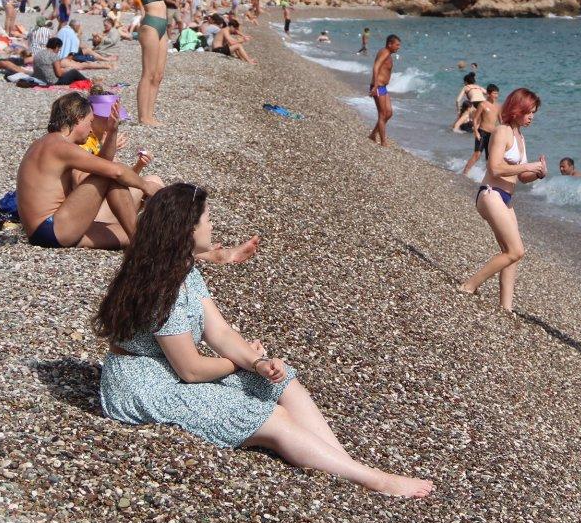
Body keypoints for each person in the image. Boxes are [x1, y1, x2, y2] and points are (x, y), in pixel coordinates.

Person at [94, 184, 435, 498]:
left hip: (168, 372)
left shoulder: (183, 269)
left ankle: (345, 463)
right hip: (142, 387)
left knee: (280, 379)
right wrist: (237, 363)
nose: (212, 225)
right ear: (187, 229)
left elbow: (220, 332)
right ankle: (375, 480)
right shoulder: (162, 288)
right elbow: (191, 370)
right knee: (273, 417)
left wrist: (258, 363)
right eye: (208, 218)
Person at [16, 92, 160, 249]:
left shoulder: (45, 143)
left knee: (134, 235)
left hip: (43, 232)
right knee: (110, 175)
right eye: (90, 122)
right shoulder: (62, 147)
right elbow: (115, 171)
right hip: (53, 228)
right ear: (78, 118)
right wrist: (146, 186)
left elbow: (101, 164)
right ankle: (140, 247)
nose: (91, 129)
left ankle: (142, 240)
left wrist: (112, 132)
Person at [458, 88, 547, 312]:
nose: (532, 117)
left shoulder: (520, 137)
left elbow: (522, 177)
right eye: (529, 112)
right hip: (491, 193)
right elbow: (495, 168)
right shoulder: (502, 131)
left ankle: (506, 307)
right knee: (516, 250)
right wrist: (527, 166)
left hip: (506, 198)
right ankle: (469, 286)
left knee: (511, 254)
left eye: (534, 113)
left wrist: (537, 173)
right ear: (517, 109)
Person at [134, 0, 181, 126]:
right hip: (151, 26)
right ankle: (143, 117)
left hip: (162, 27)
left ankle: (150, 116)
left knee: (158, 75)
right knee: (148, 73)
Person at [368, 34, 401, 147]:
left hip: (383, 88)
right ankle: (383, 142)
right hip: (378, 87)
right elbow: (376, 66)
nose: (398, 47)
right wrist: (375, 85)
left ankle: (373, 134)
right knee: (382, 114)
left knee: (389, 113)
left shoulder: (387, 53)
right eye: (397, 45)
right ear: (390, 44)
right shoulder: (385, 52)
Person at [460, 85, 499, 175]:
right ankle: (464, 173)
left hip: (492, 135)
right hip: (482, 132)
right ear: (488, 94)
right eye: (494, 93)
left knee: (489, 158)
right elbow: (475, 119)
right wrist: (476, 131)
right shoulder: (482, 104)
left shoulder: (498, 106)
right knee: (477, 154)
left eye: (497, 94)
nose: (496, 95)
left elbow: (501, 121)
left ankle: (487, 176)